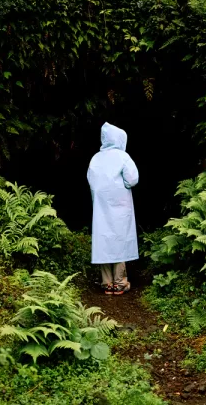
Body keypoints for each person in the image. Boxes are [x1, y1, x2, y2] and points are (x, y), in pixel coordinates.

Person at [87, 122, 139, 295]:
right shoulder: (123, 157)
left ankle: (106, 283)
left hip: (101, 206)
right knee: (119, 241)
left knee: (104, 241)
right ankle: (120, 283)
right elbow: (132, 179)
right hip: (121, 206)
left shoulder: (96, 158)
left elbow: (92, 181)